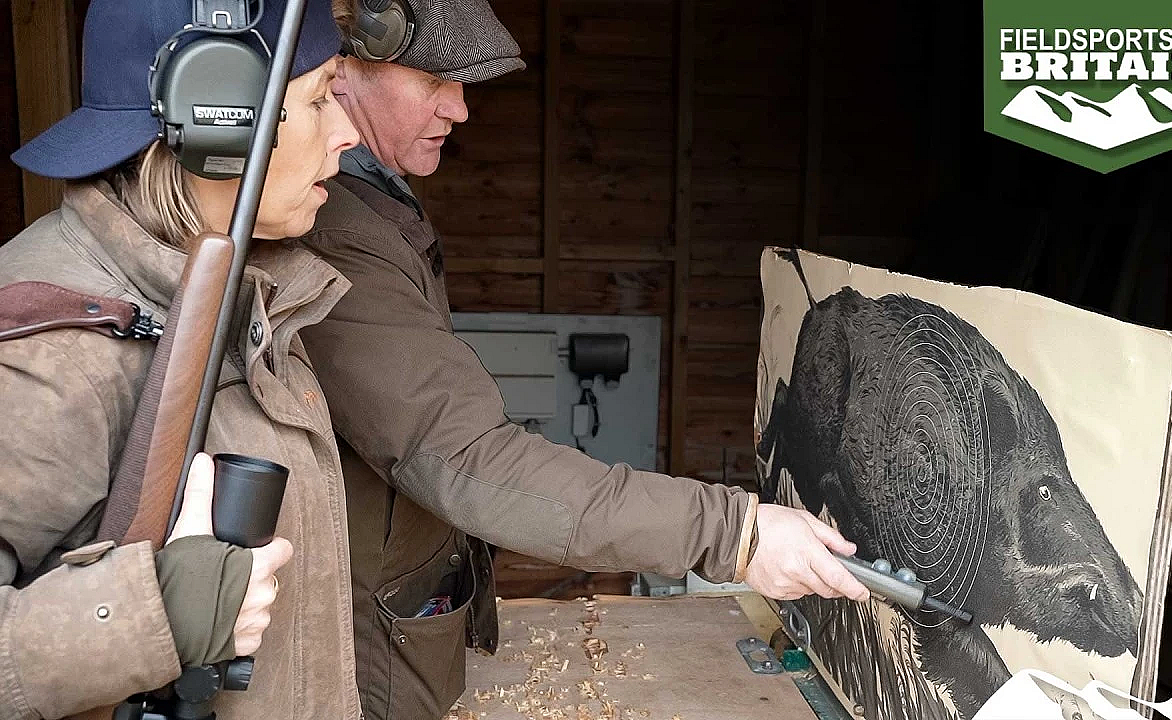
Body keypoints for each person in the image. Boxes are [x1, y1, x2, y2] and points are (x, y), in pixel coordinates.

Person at [297, 1, 870, 718]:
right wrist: (733, 533)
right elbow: (464, 457)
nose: (461, 108)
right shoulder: (325, 220)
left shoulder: (373, 197)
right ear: (340, 71)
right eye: (433, 80)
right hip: (359, 657)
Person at [0, 1, 360, 718]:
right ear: (215, 117)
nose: (349, 133)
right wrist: (152, 616)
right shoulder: (49, 351)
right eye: (320, 98)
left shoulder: (240, 293)